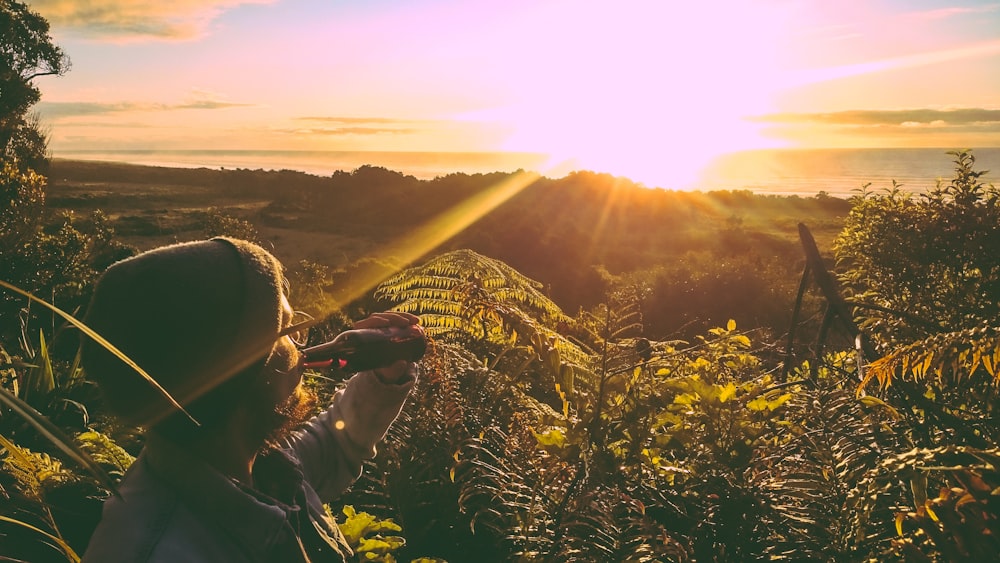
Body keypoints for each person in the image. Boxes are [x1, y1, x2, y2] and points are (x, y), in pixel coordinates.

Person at [79, 237, 419, 562]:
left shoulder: (247, 463)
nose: (301, 337)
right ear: (237, 369)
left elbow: (332, 448)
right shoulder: (159, 553)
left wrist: (382, 379)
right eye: (285, 329)